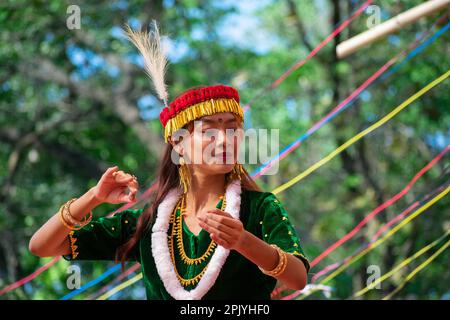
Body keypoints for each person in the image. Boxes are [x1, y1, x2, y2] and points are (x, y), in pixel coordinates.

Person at [29, 22, 310, 300]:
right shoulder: (149, 225)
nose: (225, 140)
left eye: (232, 128)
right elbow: (42, 246)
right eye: (210, 130)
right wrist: (93, 197)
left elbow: (297, 278)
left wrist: (243, 241)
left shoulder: (260, 209)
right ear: (179, 143)